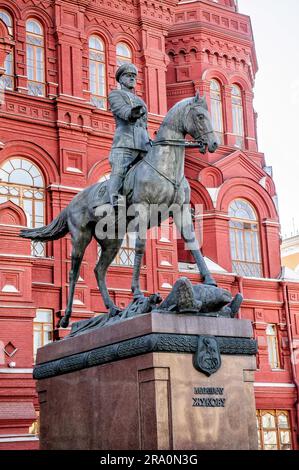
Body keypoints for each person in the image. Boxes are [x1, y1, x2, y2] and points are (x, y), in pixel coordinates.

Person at [107, 63, 151, 207]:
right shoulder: (115, 95)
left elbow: (144, 125)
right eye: (128, 75)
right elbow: (121, 110)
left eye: (134, 76)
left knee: (159, 168)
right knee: (119, 170)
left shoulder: (141, 101)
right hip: (125, 143)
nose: (132, 78)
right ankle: (114, 199)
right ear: (120, 79)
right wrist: (131, 113)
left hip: (144, 145)